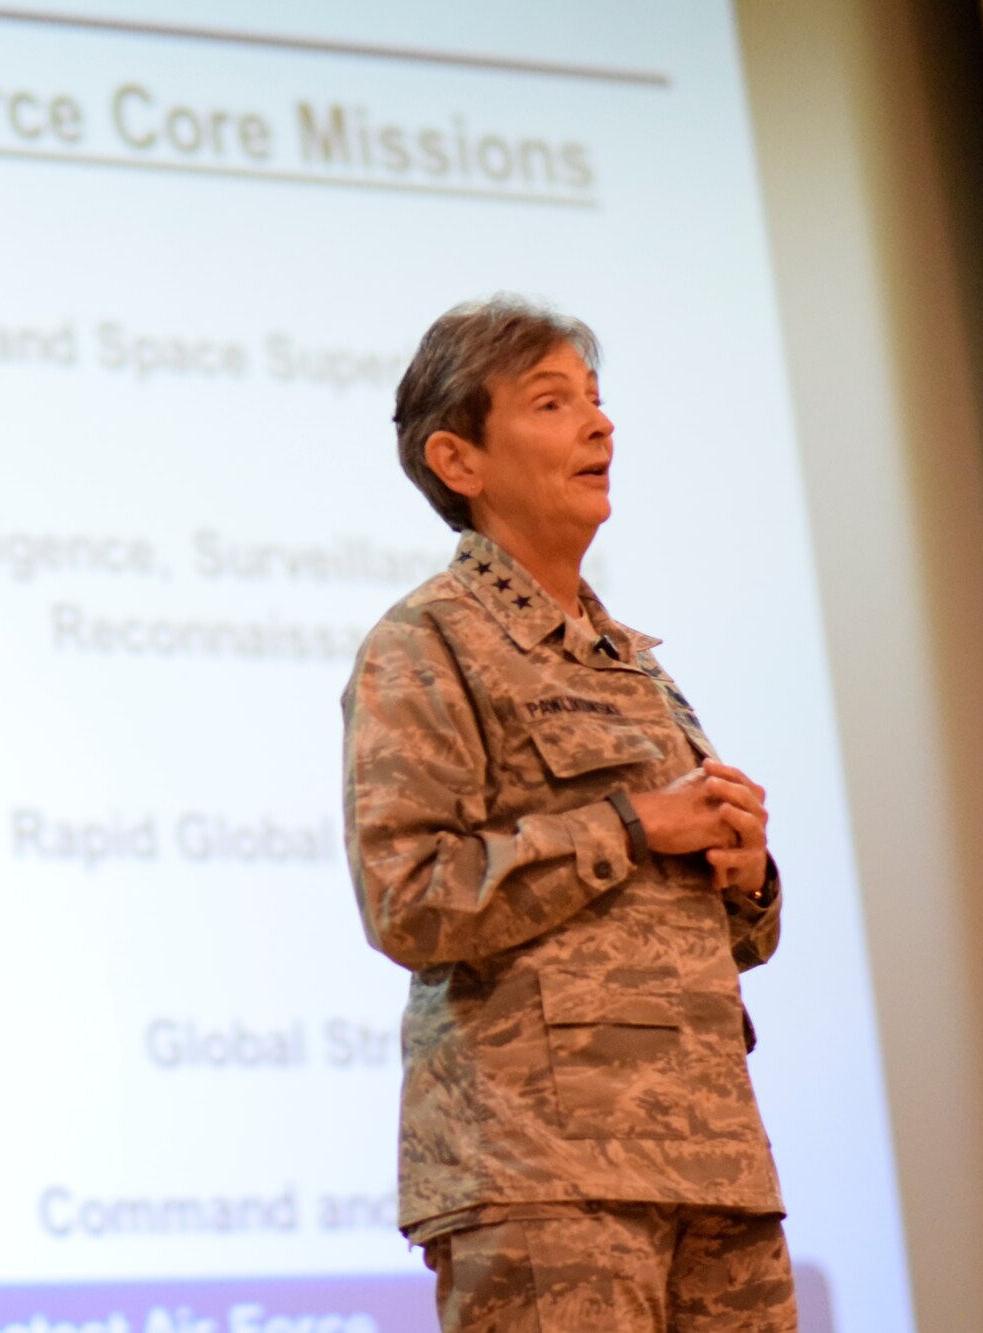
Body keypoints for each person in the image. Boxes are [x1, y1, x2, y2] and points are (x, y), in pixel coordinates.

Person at [341, 296, 794, 1330]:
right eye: (552, 404)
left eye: (594, 401)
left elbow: (733, 937)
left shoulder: (633, 664)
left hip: (713, 1167)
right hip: (542, 1175)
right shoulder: (425, 643)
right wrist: (633, 826)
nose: (599, 425)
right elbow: (407, 900)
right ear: (458, 459)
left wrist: (745, 871)